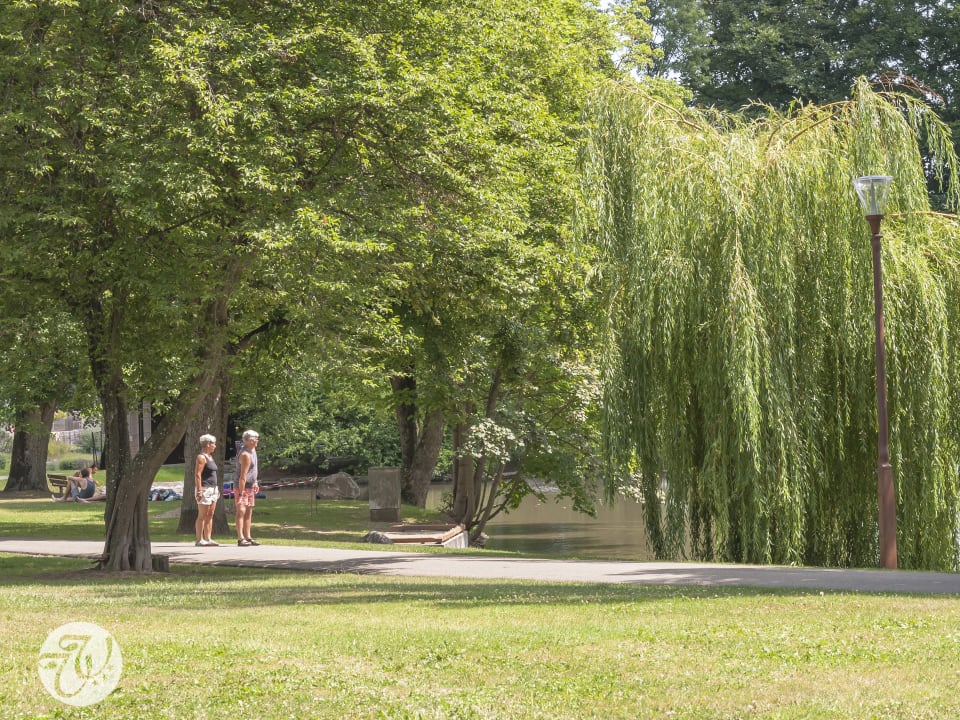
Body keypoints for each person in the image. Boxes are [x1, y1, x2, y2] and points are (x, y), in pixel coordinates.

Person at [235, 429, 261, 546]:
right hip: (242, 486)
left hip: (251, 485)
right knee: (241, 511)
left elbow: (253, 470)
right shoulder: (245, 454)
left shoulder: (253, 451)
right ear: (250, 441)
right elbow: (242, 476)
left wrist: (255, 482)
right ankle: (240, 538)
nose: (257, 440)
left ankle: (248, 536)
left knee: (249, 511)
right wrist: (241, 492)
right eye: (256, 438)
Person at [194, 434, 220, 546]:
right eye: (213, 444)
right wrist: (199, 491)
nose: (215, 446)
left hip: (213, 489)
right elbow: (197, 474)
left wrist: (216, 489)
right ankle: (199, 540)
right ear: (208, 444)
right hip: (205, 488)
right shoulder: (201, 457)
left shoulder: (210, 457)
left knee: (210, 514)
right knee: (202, 515)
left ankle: (208, 538)